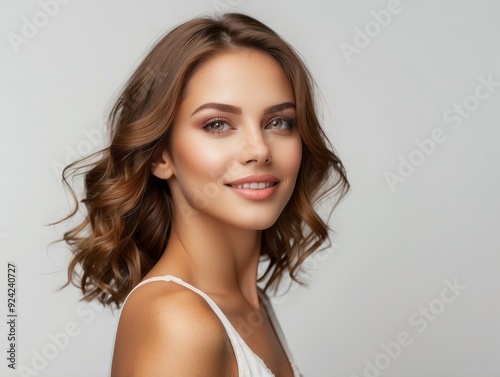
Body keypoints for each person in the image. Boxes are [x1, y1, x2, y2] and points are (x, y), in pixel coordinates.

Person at [57, 12, 349, 376]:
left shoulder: (251, 305)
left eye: (279, 122)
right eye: (217, 124)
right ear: (161, 156)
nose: (258, 149)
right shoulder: (178, 320)